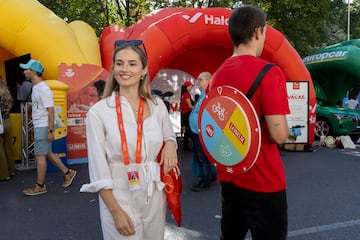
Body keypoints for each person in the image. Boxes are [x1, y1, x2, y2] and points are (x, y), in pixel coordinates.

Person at [80, 41, 178, 240]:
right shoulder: (99, 112)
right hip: (118, 194)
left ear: (143, 71)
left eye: (132, 64)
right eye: (119, 63)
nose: (125, 69)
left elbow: (170, 135)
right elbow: (98, 170)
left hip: (154, 192)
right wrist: (116, 212)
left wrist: (170, 144)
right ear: (113, 68)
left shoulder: (157, 104)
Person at [208, 6, 290, 240]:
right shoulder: (269, 72)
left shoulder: (216, 76)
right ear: (257, 32)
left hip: (230, 177)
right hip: (265, 181)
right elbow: (279, 134)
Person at [20, 59, 77, 196]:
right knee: (47, 153)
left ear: (33, 72)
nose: (24, 72)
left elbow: (51, 110)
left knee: (40, 156)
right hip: (42, 125)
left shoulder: (43, 88)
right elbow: (43, 107)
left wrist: (50, 131)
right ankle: (68, 173)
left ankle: (40, 186)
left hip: (43, 127)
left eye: (26, 69)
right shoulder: (37, 88)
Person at [189, 71, 217, 191]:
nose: (197, 82)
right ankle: (208, 176)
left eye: (200, 80)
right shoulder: (203, 95)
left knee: (203, 157)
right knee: (202, 156)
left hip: (202, 133)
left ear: (208, 80)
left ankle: (205, 181)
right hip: (198, 132)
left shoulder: (209, 95)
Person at [0, 80, 15, 180]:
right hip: (8, 122)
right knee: (8, 147)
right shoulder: (8, 97)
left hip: (1, 123)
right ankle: (11, 170)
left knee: (0, 150)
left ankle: (4, 174)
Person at [180, 81, 194, 150]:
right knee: (188, 130)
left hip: (185, 114)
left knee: (187, 130)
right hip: (187, 114)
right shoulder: (186, 94)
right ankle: (186, 146)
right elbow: (190, 106)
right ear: (187, 87)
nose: (191, 88)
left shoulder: (183, 94)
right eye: (191, 86)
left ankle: (185, 145)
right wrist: (198, 108)